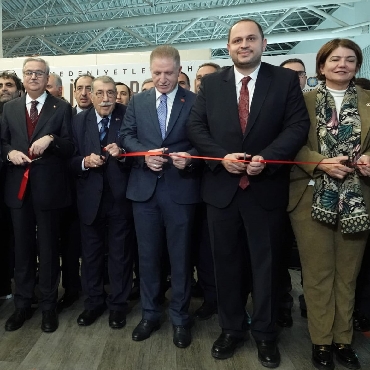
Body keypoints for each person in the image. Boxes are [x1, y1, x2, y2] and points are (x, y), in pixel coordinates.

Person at [187, 19, 310, 367]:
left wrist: (267, 160)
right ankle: (231, 330)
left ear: (263, 43)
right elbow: (196, 126)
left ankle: (266, 335)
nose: (244, 44)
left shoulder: (284, 80)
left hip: (265, 189)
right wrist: (219, 158)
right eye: (237, 40)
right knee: (225, 266)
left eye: (250, 39)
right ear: (228, 47)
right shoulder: (211, 84)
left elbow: (298, 125)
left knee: (267, 268)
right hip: (222, 192)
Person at [288, 39, 370, 370]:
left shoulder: (369, 102)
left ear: (357, 66)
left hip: (359, 199)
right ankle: (321, 342)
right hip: (311, 197)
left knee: (347, 275)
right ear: (321, 66)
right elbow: (289, 145)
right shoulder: (301, 102)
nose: (342, 65)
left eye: (350, 60)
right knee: (318, 274)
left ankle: (343, 340)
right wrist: (320, 162)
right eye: (334, 59)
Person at [122, 45, 200, 349]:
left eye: (169, 73)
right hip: (144, 191)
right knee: (147, 257)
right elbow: (126, 136)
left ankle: (181, 318)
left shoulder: (194, 101)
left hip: (180, 189)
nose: (163, 79)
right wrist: (143, 156)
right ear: (150, 71)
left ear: (180, 71)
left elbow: (205, 140)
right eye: (157, 73)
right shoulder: (138, 101)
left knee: (180, 259)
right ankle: (150, 315)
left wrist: (190, 157)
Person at [1, 57, 74, 333]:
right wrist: (9, 153)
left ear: (47, 78)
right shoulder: (9, 108)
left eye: (39, 73)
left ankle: (47, 307)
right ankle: (22, 305)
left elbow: (70, 146)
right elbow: (3, 142)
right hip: (18, 189)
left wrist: (52, 140)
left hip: (49, 190)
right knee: (22, 250)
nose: (33, 77)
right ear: (24, 77)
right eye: (29, 73)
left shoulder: (62, 108)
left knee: (48, 248)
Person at [70, 76, 134, 329]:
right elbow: (69, 158)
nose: (106, 98)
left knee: (120, 256)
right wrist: (85, 162)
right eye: (100, 93)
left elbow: (138, 154)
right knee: (92, 255)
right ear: (92, 96)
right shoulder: (78, 120)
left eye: (110, 93)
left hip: (120, 199)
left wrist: (123, 155)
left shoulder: (128, 115)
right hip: (89, 199)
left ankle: (118, 306)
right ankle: (94, 302)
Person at [0, 71, 23, 301]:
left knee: (15, 240)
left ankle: (16, 287)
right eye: (0, 85)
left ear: (18, 89)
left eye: (8, 85)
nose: (4, 89)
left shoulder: (20, 113)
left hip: (17, 185)